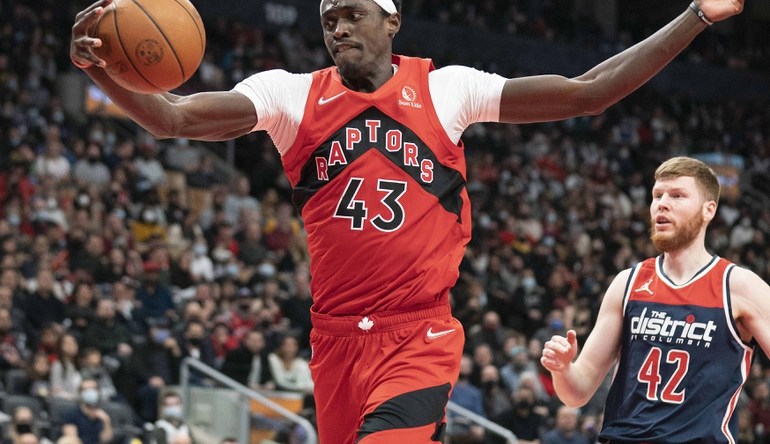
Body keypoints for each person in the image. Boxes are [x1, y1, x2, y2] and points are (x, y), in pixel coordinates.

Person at [71, 0, 747, 441]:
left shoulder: (446, 88)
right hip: (334, 342)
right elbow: (174, 118)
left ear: (391, 22)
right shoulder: (287, 95)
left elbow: (591, 93)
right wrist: (103, 70)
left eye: (354, 14)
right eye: (329, 17)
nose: (339, 26)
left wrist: (694, 15)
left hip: (417, 335)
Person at [541, 156, 770, 442]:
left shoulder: (738, 285)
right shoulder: (628, 282)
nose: (662, 203)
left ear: (708, 210)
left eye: (677, 196)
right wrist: (563, 370)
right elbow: (577, 393)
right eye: (657, 195)